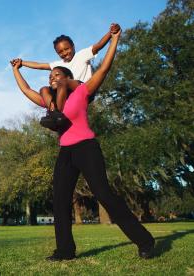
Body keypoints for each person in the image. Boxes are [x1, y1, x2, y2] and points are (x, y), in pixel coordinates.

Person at [10, 28, 155, 261]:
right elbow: (27, 89)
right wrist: (16, 70)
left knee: (104, 195)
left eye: (56, 75)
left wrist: (115, 39)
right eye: (50, 76)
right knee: (60, 200)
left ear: (67, 77)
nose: (52, 78)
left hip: (86, 147)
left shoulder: (82, 92)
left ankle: (145, 241)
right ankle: (65, 251)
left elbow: (105, 67)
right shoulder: (51, 104)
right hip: (65, 152)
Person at [11, 23, 120, 112]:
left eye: (66, 49)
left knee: (63, 82)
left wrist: (111, 33)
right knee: (44, 89)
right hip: (67, 95)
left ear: (73, 46)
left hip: (83, 88)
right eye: (60, 52)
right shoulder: (58, 65)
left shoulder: (82, 55)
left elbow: (99, 45)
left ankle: (59, 113)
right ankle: (54, 111)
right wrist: (22, 63)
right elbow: (40, 65)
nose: (64, 53)